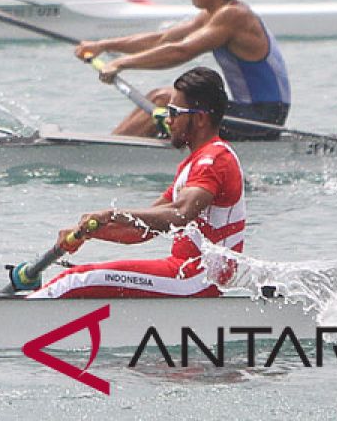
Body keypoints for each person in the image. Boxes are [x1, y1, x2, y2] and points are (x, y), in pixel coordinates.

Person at [29, 67, 245, 298]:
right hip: (188, 274)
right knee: (78, 280)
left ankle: (14, 324)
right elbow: (140, 231)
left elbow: (180, 213)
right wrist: (87, 233)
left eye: (174, 111)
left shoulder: (214, 160)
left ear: (200, 118)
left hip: (199, 278)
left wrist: (111, 214)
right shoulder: (195, 165)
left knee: (75, 280)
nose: (167, 120)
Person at [76, 0, 290, 140]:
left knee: (164, 99)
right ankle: (129, 142)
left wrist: (120, 63)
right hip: (248, 111)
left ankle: (113, 148)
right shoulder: (212, 15)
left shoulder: (234, 16)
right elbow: (162, 39)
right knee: (163, 99)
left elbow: (181, 51)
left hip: (262, 118)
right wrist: (103, 45)